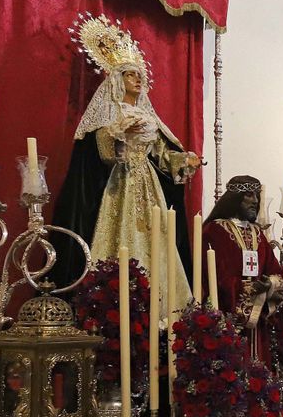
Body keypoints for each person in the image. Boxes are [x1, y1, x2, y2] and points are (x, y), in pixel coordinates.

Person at [53, 15, 200, 304]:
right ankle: (112, 299)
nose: (138, 79)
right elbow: (98, 152)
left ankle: (162, 302)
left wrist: (183, 161)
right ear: (117, 81)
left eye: (139, 75)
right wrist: (116, 134)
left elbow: (160, 153)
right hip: (119, 184)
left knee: (156, 237)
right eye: (131, 75)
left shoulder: (148, 117)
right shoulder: (112, 114)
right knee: (118, 236)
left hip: (147, 183)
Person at [204, 176, 283, 363]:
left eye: (257, 195)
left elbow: (275, 270)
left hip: (258, 323)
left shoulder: (257, 233)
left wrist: (270, 284)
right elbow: (212, 276)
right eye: (249, 195)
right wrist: (247, 289)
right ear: (235, 198)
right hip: (227, 316)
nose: (255, 201)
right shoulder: (215, 231)